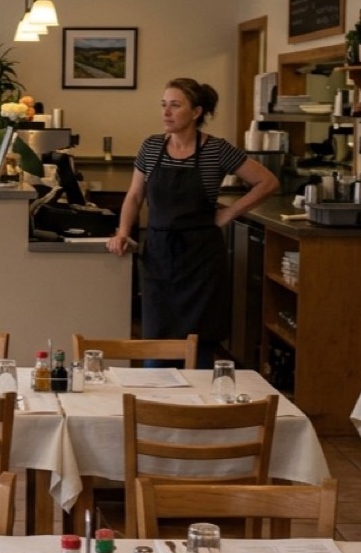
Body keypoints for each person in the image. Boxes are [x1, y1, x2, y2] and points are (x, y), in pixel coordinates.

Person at [107, 78, 278, 368]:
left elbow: (267, 181)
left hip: (201, 259)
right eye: (164, 105)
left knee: (198, 342)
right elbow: (135, 195)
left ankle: (195, 408)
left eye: (175, 105)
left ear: (196, 112)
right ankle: (156, 406)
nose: (166, 113)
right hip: (159, 254)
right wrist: (122, 231)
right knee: (156, 343)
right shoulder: (150, 147)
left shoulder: (217, 150)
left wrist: (229, 212)